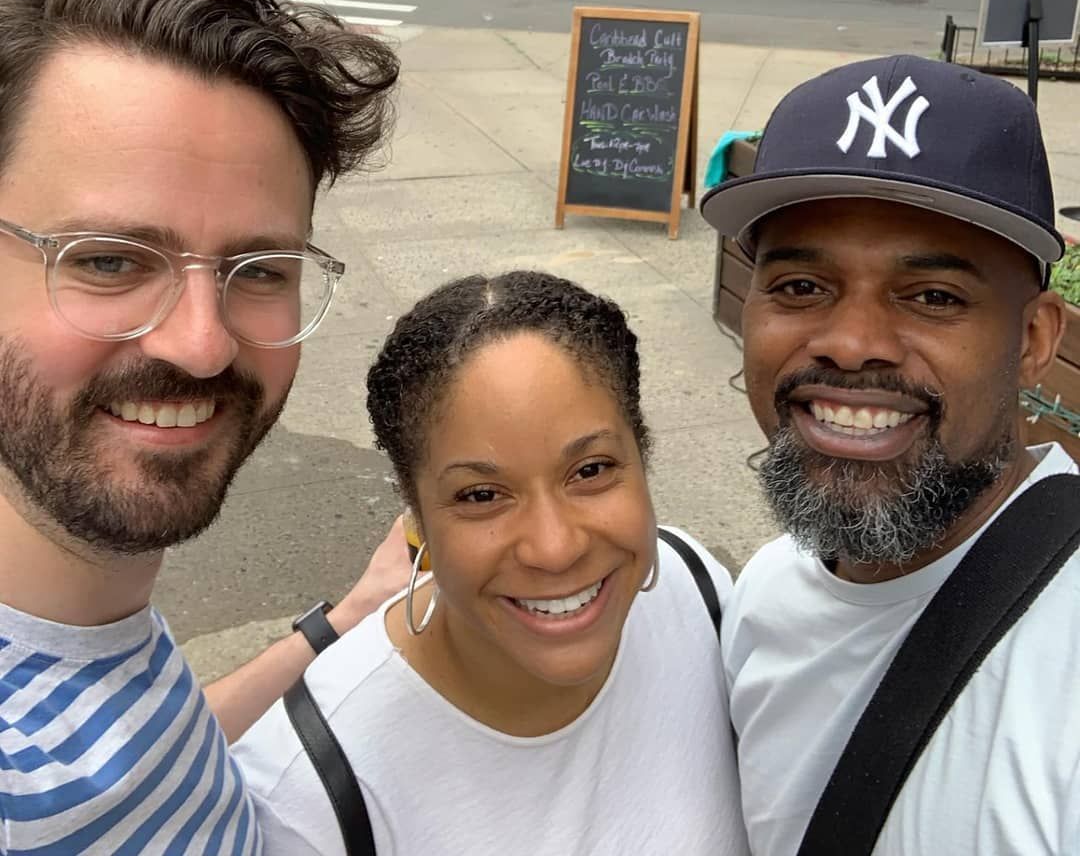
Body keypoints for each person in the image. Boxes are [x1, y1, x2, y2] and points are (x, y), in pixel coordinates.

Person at [0, 0, 408, 853]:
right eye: (109, 258)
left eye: (259, 270)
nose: (203, 342)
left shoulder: (81, 617)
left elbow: (145, 755)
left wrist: (343, 620)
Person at [699, 54, 1078, 854]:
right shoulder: (764, 596)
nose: (849, 344)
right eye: (801, 286)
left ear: (1033, 340)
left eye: (933, 297)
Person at [233, 271, 750, 856]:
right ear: (416, 519)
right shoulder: (308, 798)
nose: (555, 548)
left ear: (642, 454)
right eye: (481, 495)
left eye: (591, 470)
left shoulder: (700, 591)